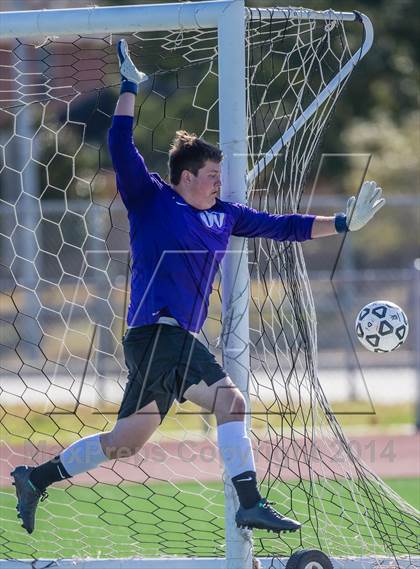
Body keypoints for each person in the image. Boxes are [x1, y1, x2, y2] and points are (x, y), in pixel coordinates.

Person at [11, 39, 385, 536]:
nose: (219, 183)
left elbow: (284, 225)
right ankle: (249, 502)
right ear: (186, 177)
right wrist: (128, 88)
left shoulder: (224, 216)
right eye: (212, 176)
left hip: (164, 341)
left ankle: (35, 477)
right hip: (161, 333)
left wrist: (340, 222)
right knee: (232, 402)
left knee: (126, 442)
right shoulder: (153, 200)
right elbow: (121, 145)